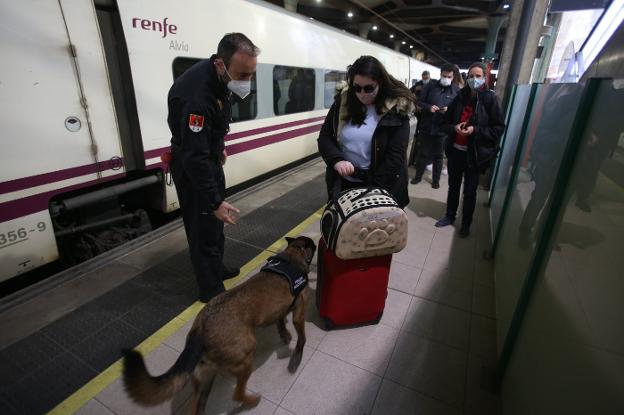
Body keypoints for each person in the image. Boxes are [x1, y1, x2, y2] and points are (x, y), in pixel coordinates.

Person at [168, 33, 260, 302]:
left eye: (251, 74)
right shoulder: (197, 97)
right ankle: (210, 289)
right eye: (242, 75)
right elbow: (194, 158)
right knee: (203, 228)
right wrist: (214, 201)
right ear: (221, 65)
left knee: (214, 226)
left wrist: (217, 146)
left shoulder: (218, 78)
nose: (246, 82)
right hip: (192, 165)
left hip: (206, 156)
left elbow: (218, 119)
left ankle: (216, 268)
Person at [318, 55, 415, 208]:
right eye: (357, 88)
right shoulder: (343, 102)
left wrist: (368, 196)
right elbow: (325, 137)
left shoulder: (397, 109)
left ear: (380, 84)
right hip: (344, 185)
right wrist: (336, 160)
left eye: (369, 88)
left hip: (382, 189)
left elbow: (395, 158)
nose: (362, 94)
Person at [435, 62, 505, 237]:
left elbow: (498, 128)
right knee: (453, 186)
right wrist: (454, 128)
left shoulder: (490, 99)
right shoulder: (459, 97)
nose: (474, 79)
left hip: (474, 155)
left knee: (470, 191)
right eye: (471, 76)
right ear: (467, 79)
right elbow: (444, 124)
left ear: (485, 78)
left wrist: (476, 130)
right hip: (456, 151)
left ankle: (466, 223)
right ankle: (450, 216)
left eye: (478, 76)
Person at [411, 64, 460, 188]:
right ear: (440, 74)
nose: (446, 78)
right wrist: (429, 107)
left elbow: (458, 110)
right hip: (426, 126)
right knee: (423, 154)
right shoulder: (429, 87)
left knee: (438, 156)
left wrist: (449, 110)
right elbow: (419, 101)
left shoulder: (456, 91)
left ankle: (435, 180)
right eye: (444, 76)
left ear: (453, 76)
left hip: (442, 129)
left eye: (449, 76)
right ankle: (418, 176)